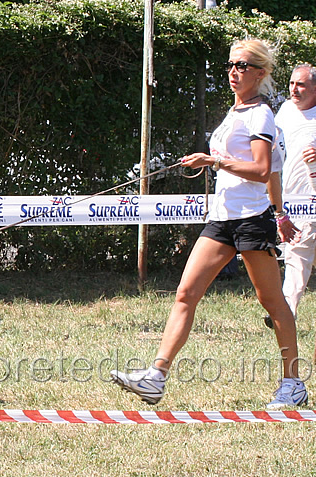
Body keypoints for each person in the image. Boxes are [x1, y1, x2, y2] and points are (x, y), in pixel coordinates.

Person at [110, 39, 308, 409]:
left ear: (261, 73)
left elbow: (264, 170)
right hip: (222, 219)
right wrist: (280, 212)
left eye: (244, 66)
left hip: (250, 221)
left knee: (272, 302)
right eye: (232, 65)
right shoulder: (236, 112)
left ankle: (292, 383)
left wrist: (214, 162)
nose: (235, 72)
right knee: (186, 293)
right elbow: (274, 172)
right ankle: (156, 377)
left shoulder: (260, 115)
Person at [265, 64, 316, 326]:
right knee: (296, 256)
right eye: (292, 83)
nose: (294, 89)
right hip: (291, 201)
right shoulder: (284, 111)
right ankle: (284, 314)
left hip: (313, 201)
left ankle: (283, 313)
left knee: (299, 256)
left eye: (302, 85)